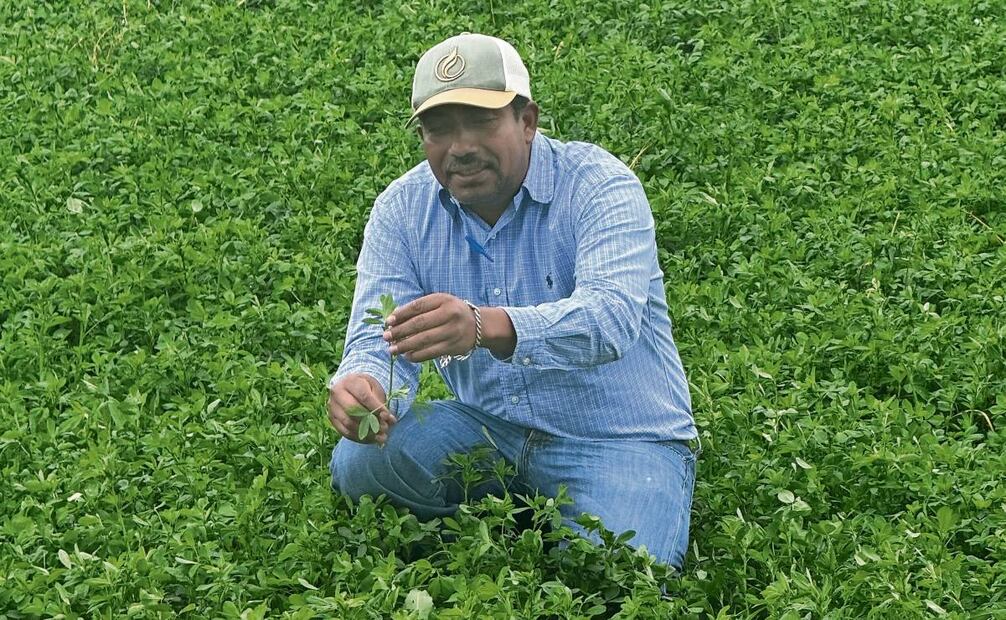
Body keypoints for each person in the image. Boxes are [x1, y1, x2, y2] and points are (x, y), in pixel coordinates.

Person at [326, 32, 698, 569]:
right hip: (485, 427)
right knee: (360, 462)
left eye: (481, 121)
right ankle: (529, 510)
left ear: (527, 121)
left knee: (619, 572)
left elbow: (609, 319)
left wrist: (485, 325)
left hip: (616, 437)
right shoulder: (402, 210)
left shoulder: (599, 186)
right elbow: (378, 337)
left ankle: (570, 512)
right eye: (439, 130)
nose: (460, 147)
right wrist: (366, 386)